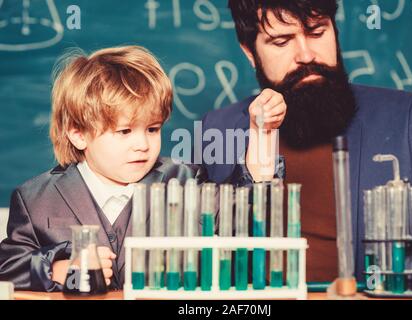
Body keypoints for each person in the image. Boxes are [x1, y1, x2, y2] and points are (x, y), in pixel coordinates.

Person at [199, 0, 412, 283]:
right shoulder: (217, 128)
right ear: (250, 53)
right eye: (282, 42)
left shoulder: (404, 118)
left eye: (317, 32)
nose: (306, 55)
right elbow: (200, 245)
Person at [0, 45, 271, 292]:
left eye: (152, 129)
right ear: (78, 134)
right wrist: (58, 269)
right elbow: (8, 265)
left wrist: (260, 138)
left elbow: (245, 225)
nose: (142, 144)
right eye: (124, 131)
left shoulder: (184, 180)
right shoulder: (36, 198)